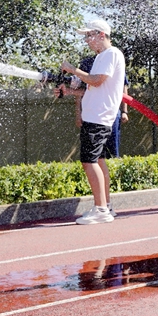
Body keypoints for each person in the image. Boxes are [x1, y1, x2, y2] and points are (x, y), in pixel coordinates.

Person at [59, 19, 126, 225]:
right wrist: (68, 91)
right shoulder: (101, 57)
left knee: (89, 161)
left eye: (89, 35)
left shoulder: (111, 54)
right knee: (98, 160)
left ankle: (101, 210)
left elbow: (97, 80)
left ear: (101, 35)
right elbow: (92, 87)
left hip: (98, 118)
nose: (87, 40)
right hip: (96, 117)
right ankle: (106, 205)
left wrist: (73, 70)